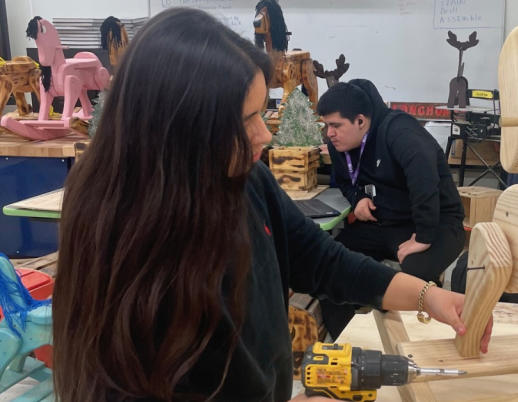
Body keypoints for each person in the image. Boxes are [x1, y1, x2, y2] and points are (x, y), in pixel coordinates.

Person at [52, 8, 491, 402]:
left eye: (264, 113)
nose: (265, 135)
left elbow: (322, 261)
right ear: (184, 127)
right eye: (248, 120)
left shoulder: (246, 180)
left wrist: (427, 296)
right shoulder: (125, 239)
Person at [316, 80, 466, 338]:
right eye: (326, 125)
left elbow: (424, 178)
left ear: (360, 121)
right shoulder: (338, 143)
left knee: (414, 279)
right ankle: (350, 341)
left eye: (336, 125)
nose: (329, 133)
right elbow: (343, 181)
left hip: (437, 222)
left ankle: (412, 341)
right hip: (382, 223)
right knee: (330, 265)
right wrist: (358, 198)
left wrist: (424, 236)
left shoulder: (399, 130)